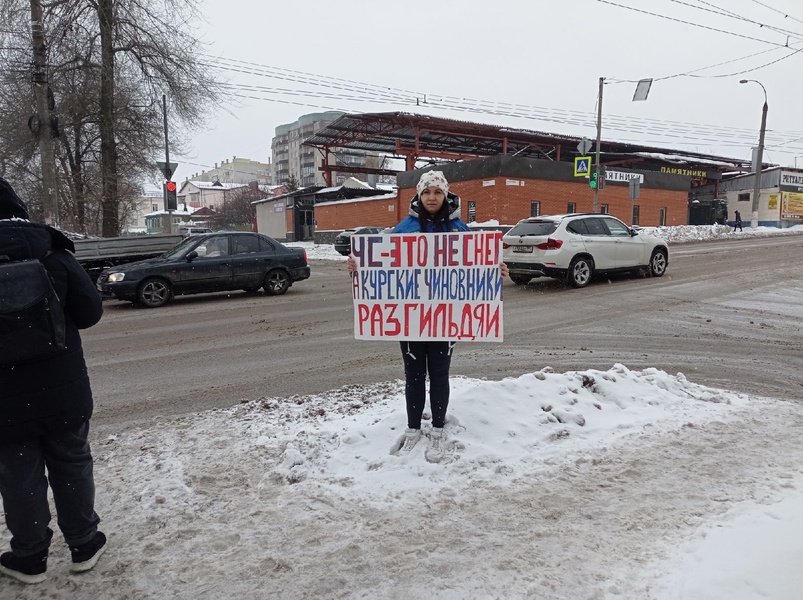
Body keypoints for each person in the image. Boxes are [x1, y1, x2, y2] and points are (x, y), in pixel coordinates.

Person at [348, 170, 508, 463]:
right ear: (419, 196)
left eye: (437, 192)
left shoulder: (460, 230)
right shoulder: (404, 229)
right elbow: (381, 266)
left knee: (439, 374)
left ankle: (437, 427)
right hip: (410, 319)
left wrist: (493, 269)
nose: (432, 197)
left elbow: (475, 268)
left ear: (445, 195)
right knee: (413, 376)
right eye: (426, 192)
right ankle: (412, 428)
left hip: (445, 319)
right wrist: (359, 267)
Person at [0, 177, 106, 584]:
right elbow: (91, 312)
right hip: (64, 390)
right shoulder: (51, 251)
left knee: (18, 475)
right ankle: (84, 544)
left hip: (4, 400)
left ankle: (29, 558)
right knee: (72, 462)